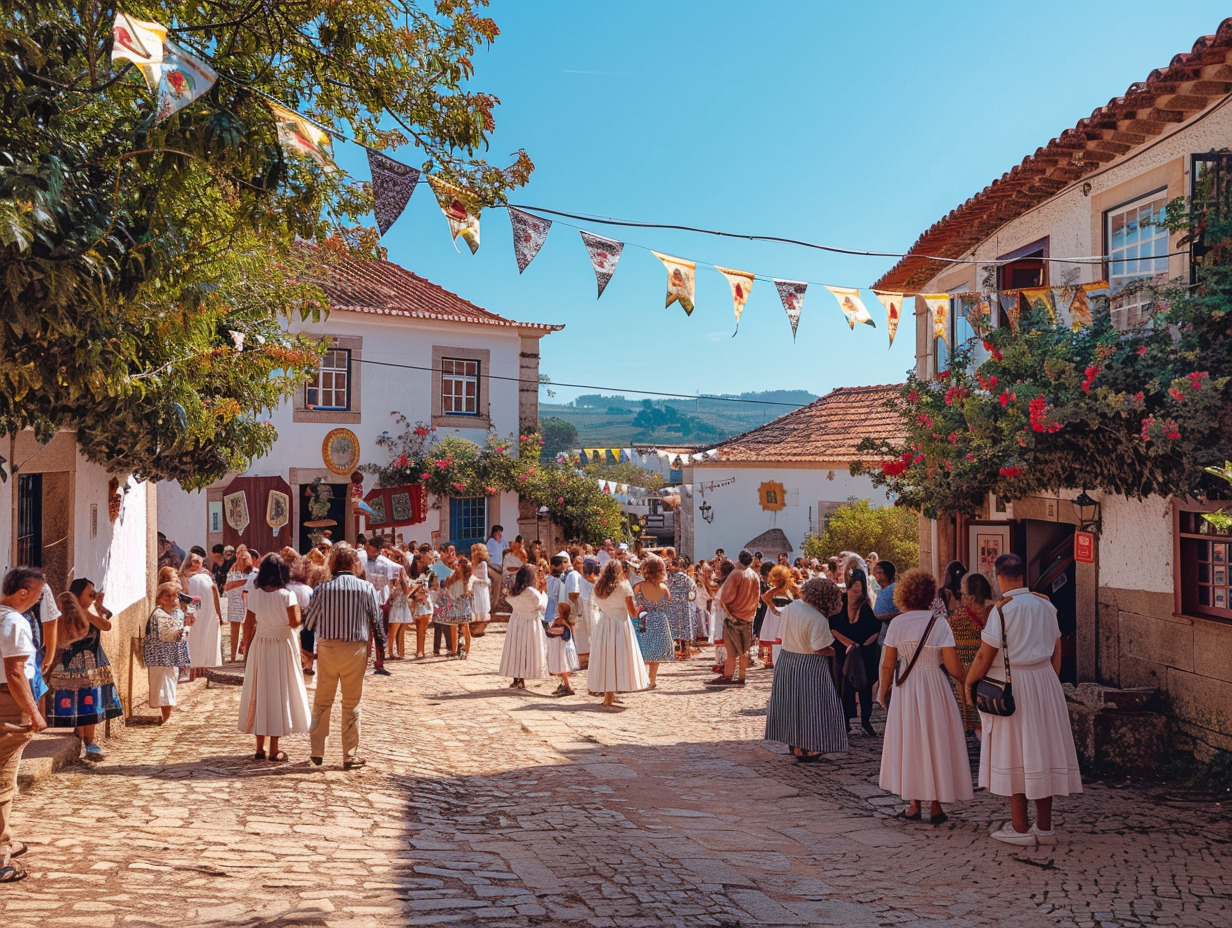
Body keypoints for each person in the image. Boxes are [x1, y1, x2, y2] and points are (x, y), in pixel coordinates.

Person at [966, 554, 1082, 846]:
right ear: (1023, 575)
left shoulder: (1003, 611)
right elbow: (1057, 649)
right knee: (1041, 751)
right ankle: (1044, 828)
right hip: (1044, 682)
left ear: (999, 577)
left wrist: (970, 683)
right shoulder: (1045, 604)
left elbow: (984, 654)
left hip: (1014, 684)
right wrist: (1049, 679)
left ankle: (1019, 828)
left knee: (1014, 752)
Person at [878, 569, 974, 824]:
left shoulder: (897, 623)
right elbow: (954, 668)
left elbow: (888, 665)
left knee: (911, 741)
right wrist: (970, 682)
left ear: (904, 595)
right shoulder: (939, 622)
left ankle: (913, 804)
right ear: (930, 594)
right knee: (935, 740)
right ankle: (935, 805)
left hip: (906, 688)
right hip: (934, 686)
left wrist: (882, 691)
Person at [303, 545, 382, 770]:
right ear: (355, 564)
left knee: (322, 701)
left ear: (333, 564)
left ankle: (317, 751)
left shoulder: (322, 590)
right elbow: (377, 622)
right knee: (351, 702)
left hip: (328, 648)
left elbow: (308, 625)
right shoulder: (366, 588)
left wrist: (307, 655)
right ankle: (349, 754)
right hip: (356, 649)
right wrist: (380, 655)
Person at [764, 578, 847, 761]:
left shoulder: (793, 607)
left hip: (787, 660)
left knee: (793, 705)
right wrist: (837, 653)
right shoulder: (817, 618)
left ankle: (795, 745)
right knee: (811, 706)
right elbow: (818, 647)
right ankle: (811, 747)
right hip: (809, 664)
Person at [0, 567, 48, 883]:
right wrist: (34, 713)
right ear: (23, 593)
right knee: (4, 780)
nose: (39, 600)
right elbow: (15, 672)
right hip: (7, 701)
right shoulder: (15, 622)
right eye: (38, 594)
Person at [237, 555, 310, 762]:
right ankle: (274, 748)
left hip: (260, 645)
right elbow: (295, 621)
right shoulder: (287, 595)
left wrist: (245, 645)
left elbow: (248, 623)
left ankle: (259, 747)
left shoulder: (254, 595)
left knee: (260, 692)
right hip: (281, 646)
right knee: (279, 693)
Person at [44, 579, 124, 759]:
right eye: (90, 594)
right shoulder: (67, 613)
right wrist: (87, 613)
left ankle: (91, 741)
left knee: (92, 702)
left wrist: (97, 608)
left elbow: (106, 626)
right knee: (79, 702)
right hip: (74, 663)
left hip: (94, 661)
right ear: (77, 594)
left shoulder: (91, 611)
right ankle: (83, 739)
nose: (93, 597)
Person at [589, 560, 650, 708]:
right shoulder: (624, 587)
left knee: (606, 658)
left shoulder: (598, 588)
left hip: (604, 624)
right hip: (620, 625)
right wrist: (638, 610)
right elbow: (632, 612)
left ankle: (609, 694)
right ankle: (609, 697)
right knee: (618, 658)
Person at [829, 569, 882, 737]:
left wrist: (862, 646)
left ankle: (866, 721)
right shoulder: (840, 604)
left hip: (864, 653)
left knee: (865, 687)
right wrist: (849, 644)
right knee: (843, 687)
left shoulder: (866, 607)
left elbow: (876, 629)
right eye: (854, 591)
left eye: (860, 592)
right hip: (842, 651)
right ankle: (844, 722)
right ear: (849, 589)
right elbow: (832, 627)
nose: (857, 595)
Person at [706, 550, 760, 687]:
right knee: (744, 650)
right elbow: (757, 597)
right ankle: (742, 676)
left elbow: (725, 598)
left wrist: (729, 614)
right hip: (748, 616)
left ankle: (728, 676)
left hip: (734, 616)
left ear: (739, 559)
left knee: (731, 652)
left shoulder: (736, 574)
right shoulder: (754, 575)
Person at [947, 567, 991, 735]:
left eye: (964, 594)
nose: (962, 597)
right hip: (992, 674)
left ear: (972, 597)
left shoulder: (958, 618)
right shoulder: (998, 612)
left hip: (968, 675)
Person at [144, 583, 192, 721]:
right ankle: (165, 717)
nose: (172, 599)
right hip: (158, 656)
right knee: (161, 686)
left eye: (174, 596)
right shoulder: (158, 614)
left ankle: (167, 717)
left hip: (173, 655)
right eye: (168, 596)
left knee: (170, 685)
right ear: (160, 598)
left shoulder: (178, 613)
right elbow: (167, 633)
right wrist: (185, 629)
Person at [498, 564, 549, 690]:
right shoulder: (532, 593)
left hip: (516, 622)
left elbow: (509, 600)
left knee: (516, 649)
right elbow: (542, 606)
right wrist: (543, 592)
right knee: (526, 649)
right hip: (530, 623)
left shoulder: (514, 591)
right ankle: (522, 678)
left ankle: (516, 678)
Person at [631, 554, 675, 688]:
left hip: (643, 617)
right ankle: (652, 680)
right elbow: (668, 602)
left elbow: (634, 603)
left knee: (642, 649)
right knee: (656, 654)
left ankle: (640, 679)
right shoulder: (664, 589)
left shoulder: (638, 587)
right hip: (660, 620)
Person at [184, 554, 223, 675]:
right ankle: (194, 670)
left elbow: (215, 593)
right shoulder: (183, 577)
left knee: (204, 634)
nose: (195, 564)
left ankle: (202, 668)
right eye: (193, 561)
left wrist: (218, 614)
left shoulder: (207, 575)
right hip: (193, 608)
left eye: (197, 561)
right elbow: (185, 593)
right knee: (194, 635)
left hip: (207, 608)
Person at [758, 564, 798, 670]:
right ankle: (771, 659)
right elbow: (765, 597)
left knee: (779, 636)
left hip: (783, 615)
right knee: (773, 636)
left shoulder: (791, 588)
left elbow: (800, 596)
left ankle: (780, 658)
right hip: (777, 616)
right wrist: (773, 608)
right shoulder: (776, 590)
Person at [224, 546, 255, 663]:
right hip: (241, 602)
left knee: (242, 628)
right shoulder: (232, 573)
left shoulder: (233, 572)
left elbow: (227, 587)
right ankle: (239, 656)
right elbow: (227, 587)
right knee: (242, 629)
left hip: (243, 602)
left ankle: (239, 656)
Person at [664, 558, 698, 659]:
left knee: (675, 629)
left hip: (673, 607)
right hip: (685, 607)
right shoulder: (687, 579)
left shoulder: (670, 580)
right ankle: (686, 652)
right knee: (685, 628)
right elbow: (693, 591)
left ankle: (676, 652)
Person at [385, 572, 413, 661]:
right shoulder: (394, 582)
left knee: (395, 632)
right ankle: (390, 652)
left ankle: (392, 652)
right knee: (392, 632)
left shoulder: (403, 583)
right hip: (395, 607)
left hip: (399, 608)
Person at [471, 543, 493, 631]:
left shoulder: (483, 564)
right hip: (476, 587)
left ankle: (481, 627)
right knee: (477, 605)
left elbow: (484, 577)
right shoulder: (473, 563)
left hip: (481, 587)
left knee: (482, 605)